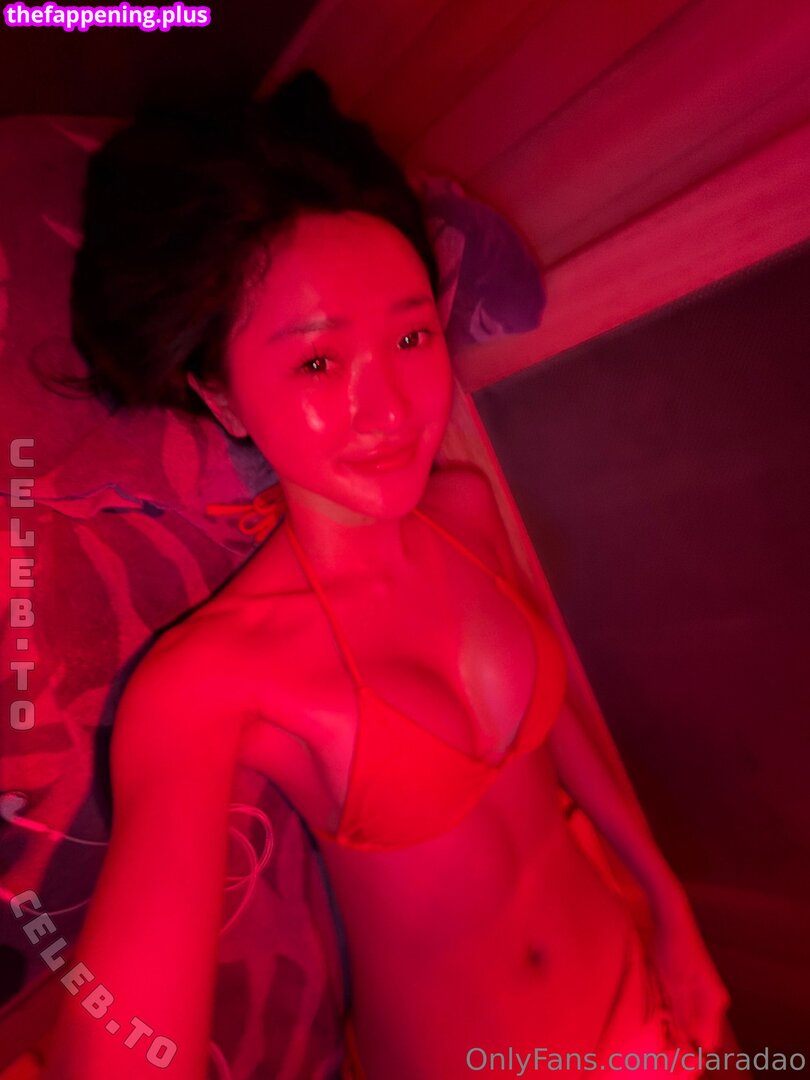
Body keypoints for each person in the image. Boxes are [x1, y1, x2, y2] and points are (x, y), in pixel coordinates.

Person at [42, 70, 731, 1080]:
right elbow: (121, 1050)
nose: (394, 408)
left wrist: (671, 910)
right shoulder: (210, 680)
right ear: (223, 400)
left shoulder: (465, 509)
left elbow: (559, 731)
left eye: (411, 337)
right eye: (319, 363)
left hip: (645, 1010)